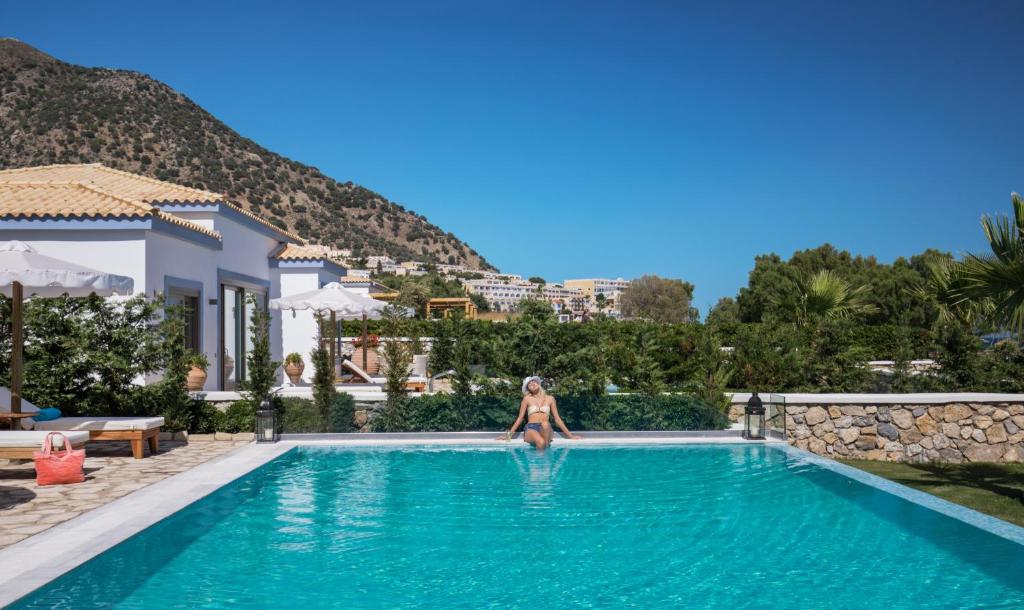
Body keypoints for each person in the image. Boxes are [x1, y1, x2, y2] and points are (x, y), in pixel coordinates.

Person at [500, 376, 580, 450]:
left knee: (545, 424)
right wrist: (508, 435)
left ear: (538, 383)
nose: (532, 384)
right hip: (531, 428)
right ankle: (543, 458)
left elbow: (557, 419)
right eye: (529, 384)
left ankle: (544, 451)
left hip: (546, 428)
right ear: (528, 389)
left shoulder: (550, 399)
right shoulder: (526, 399)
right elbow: (520, 418)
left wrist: (571, 436)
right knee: (541, 442)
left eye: (534, 382)